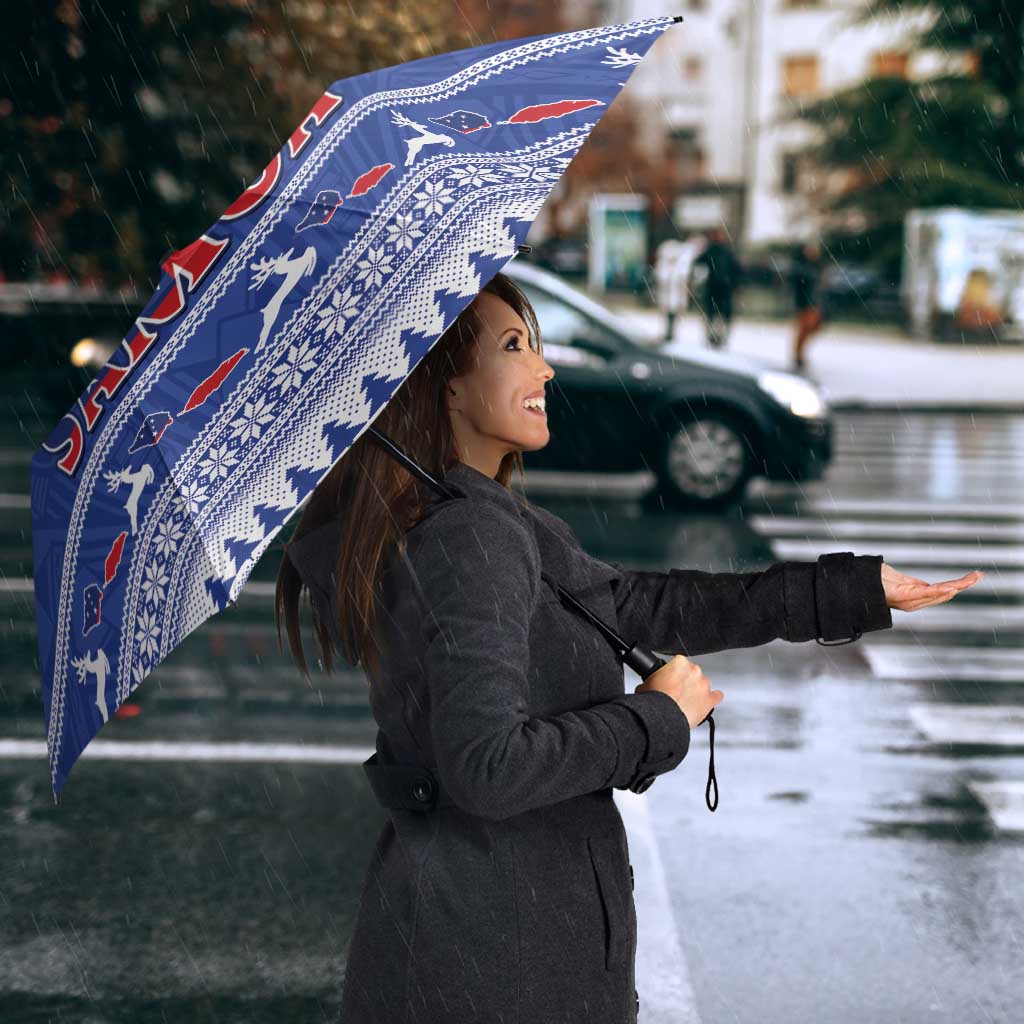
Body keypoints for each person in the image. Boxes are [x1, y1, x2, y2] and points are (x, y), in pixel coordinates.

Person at [275, 271, 979, 1024]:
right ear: (447, 385)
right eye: (513, 347)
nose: (544, 368)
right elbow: (488, 767)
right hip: (500, 962)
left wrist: (849, 591)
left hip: (475, 941)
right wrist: (656, 719)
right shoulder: (471, 536)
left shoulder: (471, 518)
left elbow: (639, 606)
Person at [692, 226, 742, 349]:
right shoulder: (714, 251)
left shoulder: (724, 252)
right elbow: (698, 263)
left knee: (719, 315)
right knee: (714, 314)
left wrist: (735, 284)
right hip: (716, 288)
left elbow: (736, 270)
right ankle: (713, 337)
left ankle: (719, 337)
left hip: (722, 289)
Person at [790, 239, 826, 370]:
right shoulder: (802, 267)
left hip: (814, 303)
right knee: (804, 329)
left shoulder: (816, 266)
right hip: (805, 303)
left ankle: (799, 354)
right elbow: (799, 286)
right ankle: (798, 355)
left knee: (812, 327)